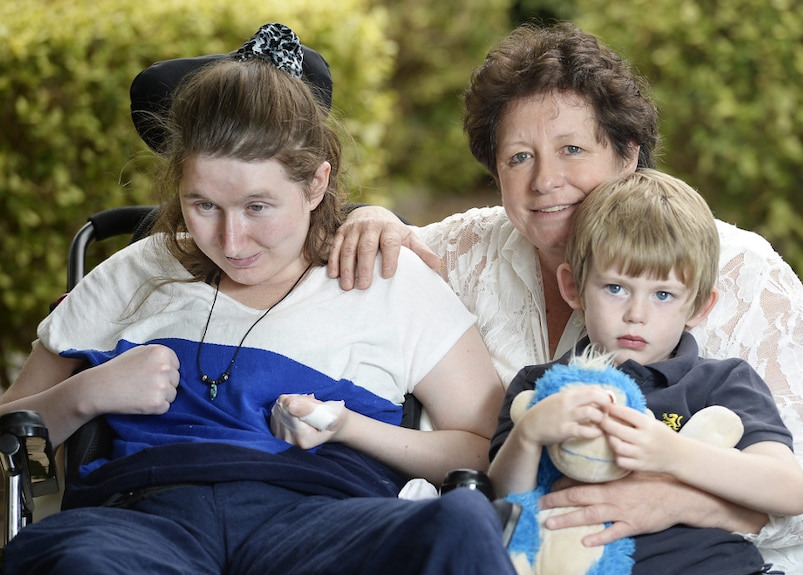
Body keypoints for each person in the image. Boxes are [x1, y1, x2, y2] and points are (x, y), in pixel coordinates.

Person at [328, 22, 803, 573]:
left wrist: (679, 500)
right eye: (518, 157)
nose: (545, 181)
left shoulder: (744, 270)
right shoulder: (470, 251)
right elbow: (388, 244)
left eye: (572, 149)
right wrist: (368, 216)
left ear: (628, 155)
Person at [0, 24, 516, 575]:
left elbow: (481, 450)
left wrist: (349, 428)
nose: (231, 240)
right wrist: (88, 393)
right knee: (76, 561)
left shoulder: (386, 277)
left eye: (258, 207)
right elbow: (10, 431)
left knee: (459, 523)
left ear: (316, 185)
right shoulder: (136, 271)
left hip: (327, 524)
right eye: (202, 205)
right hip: (143, 521)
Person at [489, 168, 803, 573]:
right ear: (573, 287)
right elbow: (502, 501)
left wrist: (671, 453)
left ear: (697, 308)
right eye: (615, 288)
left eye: (662, 294)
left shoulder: (721, 381)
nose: (636, 315)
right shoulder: (541, 385)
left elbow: (790, 491)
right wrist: (530, 433)